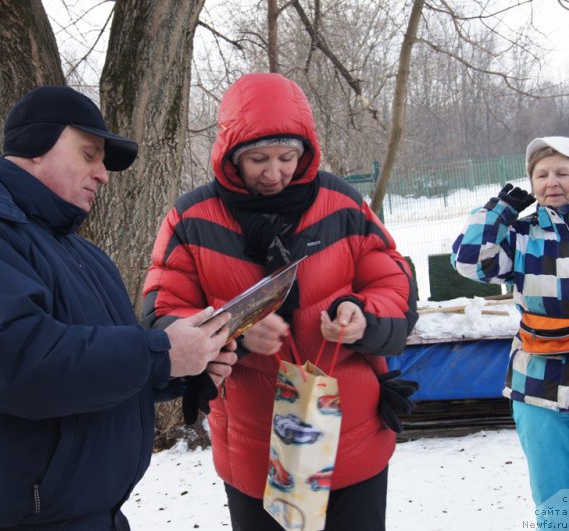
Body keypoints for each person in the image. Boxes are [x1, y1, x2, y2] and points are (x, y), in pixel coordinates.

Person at [0, 85, 237, 530]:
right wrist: (160, 353)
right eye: (89, 154)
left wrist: (181, 369)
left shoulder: (77, 253)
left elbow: (90, 372)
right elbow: (18, 366)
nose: (103, 174)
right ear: (36, 144)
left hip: (97, 515)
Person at [141, 72, 419, 531]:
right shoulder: (190, 219)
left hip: (352, 441)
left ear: (306, 151)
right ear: (230, 156)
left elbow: (395, 282)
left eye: (287, 157)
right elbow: (163, 316)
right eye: (258, 159)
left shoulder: (341, 204)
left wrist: (363, 317)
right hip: (256, 449)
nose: (274, 173)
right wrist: (237, 330)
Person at [451, 136, 569, 519]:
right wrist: (497, 211)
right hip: (538, 385)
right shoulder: (520, 236)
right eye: (543, 174)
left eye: (563, 172)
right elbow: (469, 261)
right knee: (555, 499)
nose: (553, 181)